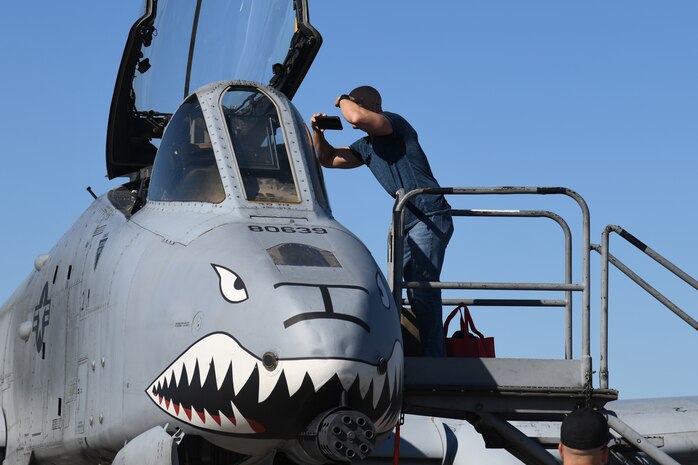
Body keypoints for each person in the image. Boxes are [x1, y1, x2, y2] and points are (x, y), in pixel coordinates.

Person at [310, 85, 453, 356]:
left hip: (430, 213)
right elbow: (327, 159)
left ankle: (435, 358)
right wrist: (318, 133)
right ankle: (412, 352)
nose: (349, 108)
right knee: (406, 289)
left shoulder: (394, 123)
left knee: (423, 287)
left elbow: (356, 118)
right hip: (408, 220)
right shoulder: (366, 147)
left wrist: (342, 99)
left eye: (356, 102)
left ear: (373, 106)